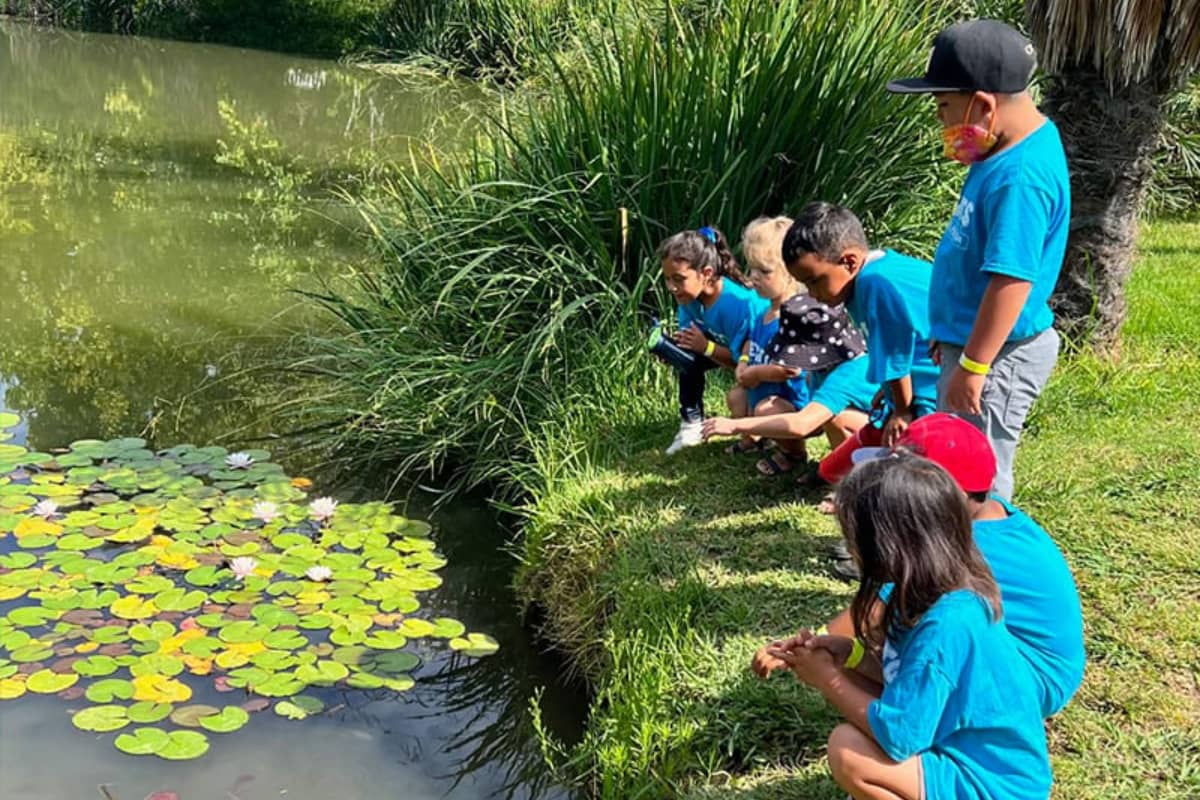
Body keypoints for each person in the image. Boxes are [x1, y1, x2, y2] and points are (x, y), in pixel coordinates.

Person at [754, 413, 1086, 719]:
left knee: (898, 640)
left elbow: (873, 611)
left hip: (1027, 683)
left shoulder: (957, 545)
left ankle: (921, 718)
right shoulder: (991, 512)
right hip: (1029, 663)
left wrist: (807, 645)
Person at [767, 454, 1052, 800]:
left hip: (998, 786)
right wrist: (851, 655)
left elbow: (899, 736)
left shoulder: (948, 624)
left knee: (848, 750)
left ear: (886, 547)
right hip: (965, 752)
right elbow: (907, 675)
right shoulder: (938, 590)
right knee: (857, 710)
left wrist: (828, 679)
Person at [887, 19, 1070, 501]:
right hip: (971, 343)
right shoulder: (1001, 148)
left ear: (984, 104)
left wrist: (973, 362)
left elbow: (1011, 280)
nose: (941, 122)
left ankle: (986, 563)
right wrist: (949, 334)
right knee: (951, 459)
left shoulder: (1020, 177)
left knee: (979, 470)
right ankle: (953, 558)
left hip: (997, 356)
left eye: (944, 107)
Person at [781, 201, 939, 486]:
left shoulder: (875, 284)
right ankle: (829, 474)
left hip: (930, 393)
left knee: (916, 472)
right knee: (837, 468)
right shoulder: (863, 281)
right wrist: (887, 392)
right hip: (907, 392)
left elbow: (896, 353)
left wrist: (902, 410)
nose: (812, 294)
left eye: (814, 281)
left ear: (849, 261)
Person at [701, 293, 875, 459]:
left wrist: (734, 425)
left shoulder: (846, 376)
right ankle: (837, 466)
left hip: (890, 439)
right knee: (830, 419)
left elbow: (802, 424)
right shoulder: (825, 367)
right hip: (871, 428)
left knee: (839, 419)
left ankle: (857, 478)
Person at [658, 226, 769, 455]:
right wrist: (672, 350)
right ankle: (691, 424)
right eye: (667, 279)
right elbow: (690, 343)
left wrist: (706, 347)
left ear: (706, 273)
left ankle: (766, 431)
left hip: (760, 363)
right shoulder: (688, 298)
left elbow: (739, 364)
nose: (671, 287)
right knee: (685, 359)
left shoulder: (737, 304)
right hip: (729, 353)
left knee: (739, 399)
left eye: (678, 279)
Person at [728, 216, 814, 476]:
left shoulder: (793, 316)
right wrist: (743, 364)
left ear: (790, 274)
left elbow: (792, 370)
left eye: (764, 272)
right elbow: (750, 343)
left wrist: (756, 373)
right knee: (735, 397)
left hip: (788, 398)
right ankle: (754, 439)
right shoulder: (762, 311)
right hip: (759, 387)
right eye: (752, 269)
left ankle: (794, 452)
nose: (754, 277)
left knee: (766, 409)